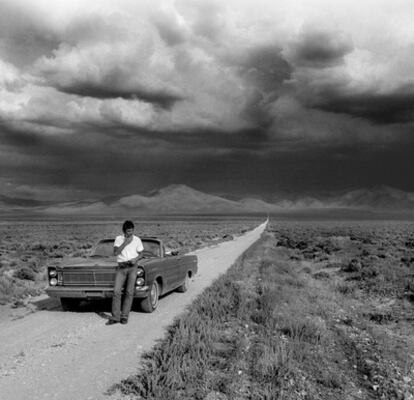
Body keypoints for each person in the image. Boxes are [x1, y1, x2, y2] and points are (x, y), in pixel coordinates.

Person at [106, 220, 144, 325]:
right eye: (128, 231)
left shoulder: (137, 240)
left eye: (132, 231)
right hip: (121, 268)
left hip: (132, 267)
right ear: (124, 231)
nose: (130, 233)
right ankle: (115, 317)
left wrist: (136, 259)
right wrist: (126, 243)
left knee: (129, 292)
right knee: (116, 292)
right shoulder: (118, 239)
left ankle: (124, 316)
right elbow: (116, 252)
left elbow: (141, 253)